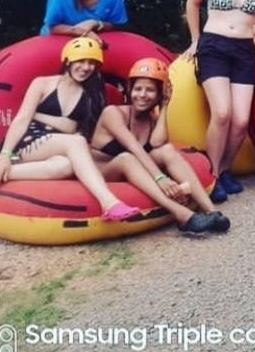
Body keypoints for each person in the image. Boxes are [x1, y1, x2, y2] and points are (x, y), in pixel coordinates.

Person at [0, 37, 142, 222]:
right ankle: (109, 202)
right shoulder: (42, 84)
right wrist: (4, 155)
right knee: (77, 141)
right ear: (68, 60)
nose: (86, 67)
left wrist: (41, 116)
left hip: (57, 146)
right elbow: (22, 120)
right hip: (26, 142)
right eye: (81, 61)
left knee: (66, 166)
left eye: (92, 63)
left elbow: (74, 128)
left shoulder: (90, 95)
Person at [182, 0, 255, 204]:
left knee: (241, 120)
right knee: (222, 113)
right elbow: (193, 3)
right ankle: (211, 175)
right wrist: (196, 39)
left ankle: (225, 169)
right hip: (214, 46)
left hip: (244, 50)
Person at [90, 59, 228, 234]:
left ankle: (212, 211)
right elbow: (133, 147)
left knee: (168, 151)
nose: (142, 95)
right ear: (130, 89)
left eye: (150, 90)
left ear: (159, 95)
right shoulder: (112, 113)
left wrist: (164, 107)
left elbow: (157, 144)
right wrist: (160, 178)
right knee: (127, 158)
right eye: (138, 89)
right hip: (104, 170)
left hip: (137, 171)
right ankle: (183, 216)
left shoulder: (151, 120)